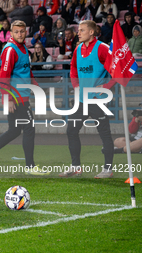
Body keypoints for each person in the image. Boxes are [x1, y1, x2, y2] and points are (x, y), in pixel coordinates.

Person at [0, 20, 48, 175]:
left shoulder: (24, 49)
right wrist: (8, 99)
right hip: (16, 99)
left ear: (26, 32)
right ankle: (30, 167)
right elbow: (4, 76)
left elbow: (27, 73)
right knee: (29, 129)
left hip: (22, 96)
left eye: (22, 31)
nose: (20, 34)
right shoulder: (10, 50)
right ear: (11, 33)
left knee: (15, 131)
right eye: (17, 32)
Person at [59, 20, 115, 179]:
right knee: (71, 130)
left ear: (92, 32)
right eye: (79, 30)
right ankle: (76, 167)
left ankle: (107, 170)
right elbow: (74, 68)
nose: (78, 32)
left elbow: (117, 71)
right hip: (82, 100)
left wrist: (106, 87)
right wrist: (76, 86)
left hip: (98, 100)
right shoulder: (77, 49)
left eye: (82, 30)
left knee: (104, 134)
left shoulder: (103, 48)